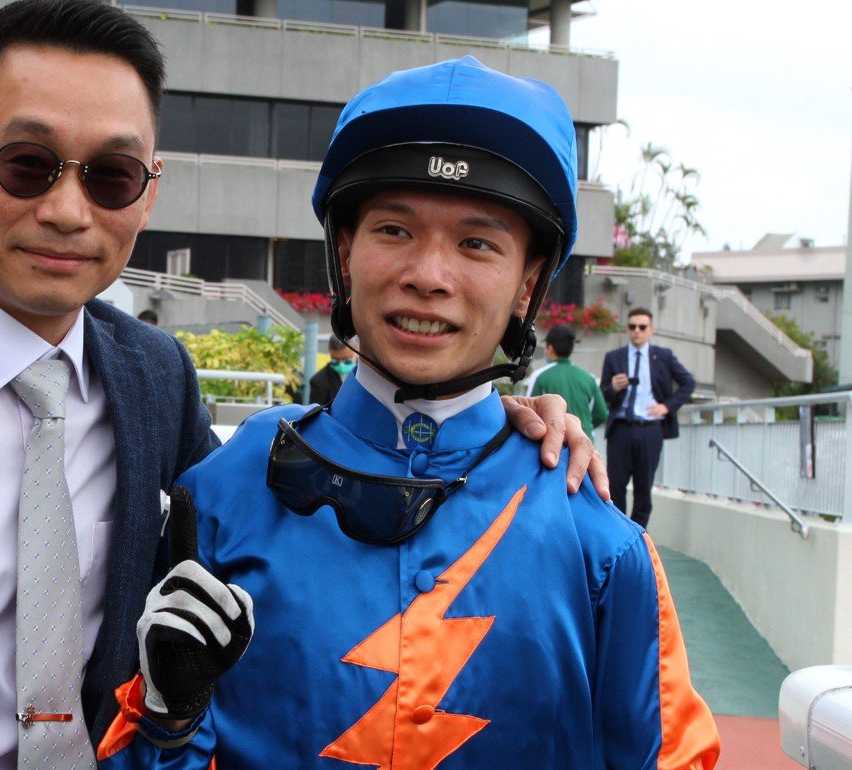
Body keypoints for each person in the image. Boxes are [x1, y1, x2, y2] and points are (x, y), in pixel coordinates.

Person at [0, 4, 601, 769]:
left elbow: (275, 516)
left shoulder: (151, 375)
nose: (68, 210)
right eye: (29, 164)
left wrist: (486, 425)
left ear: (147, 193)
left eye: (111, 177)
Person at [99, 57, 719, 768]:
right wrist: (167, 722)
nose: (428, 276)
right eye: (394, 230)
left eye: (476, 243)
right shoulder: (222, 492)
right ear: (344, 251)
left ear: (528, 285)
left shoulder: (602, 545)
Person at [600, 307, 696, 528]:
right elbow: (603, 393)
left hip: (650, 429)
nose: (637, 331)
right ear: (627, 329)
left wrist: (667, 407)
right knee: (615, 487)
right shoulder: (614, 357)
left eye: (642, 327)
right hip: (621, 428)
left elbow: (688, 383)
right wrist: (612, 387)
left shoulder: (663, 356)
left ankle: (639, 538)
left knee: (644, 488)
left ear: (651, 330)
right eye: (632, 326)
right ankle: (619, 534)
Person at [526, 324, 606, 440]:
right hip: (585, 443)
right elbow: (601, 414)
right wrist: (584, 427)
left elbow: (530, 412)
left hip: (554, 445)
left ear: (550, 348)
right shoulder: (589, 378)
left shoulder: (540, 376)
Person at [305, 335, 358, 405]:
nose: (341, 364)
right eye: (335, 360)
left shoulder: (369, 372)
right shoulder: (319, 382)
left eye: (346, 360)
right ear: (330, 351)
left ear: (356, 350)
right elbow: (317, 413)